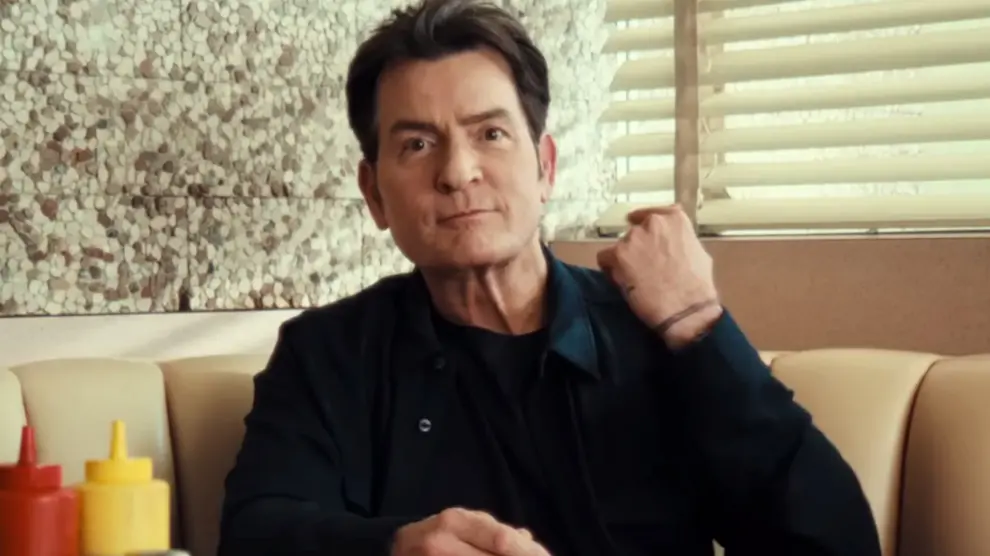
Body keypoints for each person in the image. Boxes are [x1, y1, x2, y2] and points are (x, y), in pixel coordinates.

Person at [217, 0, 882, 554]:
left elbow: (836, 540)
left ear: (546, 167)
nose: (457, 172)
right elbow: (255, 531)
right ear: (374, 195)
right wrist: (394, 547)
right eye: (417, 144)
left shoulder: (656, 334)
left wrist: (699, 322)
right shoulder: (328, 354)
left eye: (490, 134)